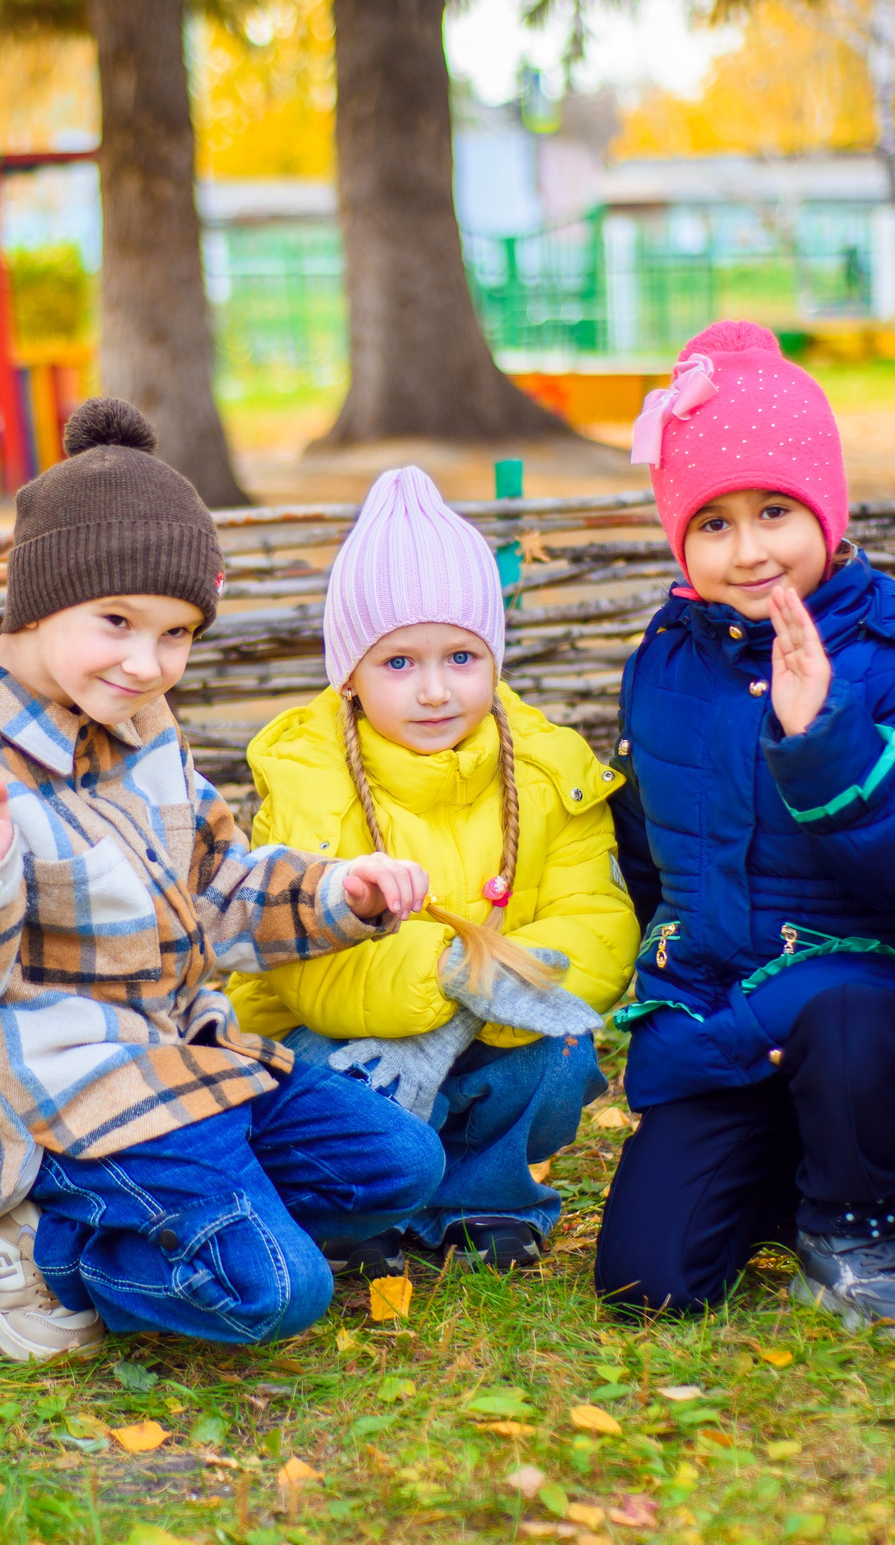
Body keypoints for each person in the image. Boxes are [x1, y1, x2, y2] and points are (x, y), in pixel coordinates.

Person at [0, 398, 446, 1358]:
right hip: (65, 1098)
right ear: (40, 594)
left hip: (183, 1056)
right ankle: (56, 1245)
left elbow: (215, 884)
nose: (146, 662)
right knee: (277, 1293)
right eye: (118, 620)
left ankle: (207, 1202)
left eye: (176, 633)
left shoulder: (136, 714)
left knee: (404, 1162)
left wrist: (344, 893)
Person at [591, 320, 895, 1341]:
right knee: (649, 1281)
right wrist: (659, 975)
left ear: (827, 508)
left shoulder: (894, 657)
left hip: (866, 993)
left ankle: (849, 1227)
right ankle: (779, 1161)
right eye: (711, 523)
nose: (749, 548)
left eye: (773, 510)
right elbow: (651, 838)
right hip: (719, 1001)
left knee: (842, 1015)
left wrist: (819, 737)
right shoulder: (667, 656)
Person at [229, 465, 635, 1273]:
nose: (437, 690)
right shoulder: (311, 776)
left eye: (460, 655)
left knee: (558, 1055)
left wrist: (478, 989)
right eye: (399, 663)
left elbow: (598, 917)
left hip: (496, 1017)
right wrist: (451, 970)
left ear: (495, 656)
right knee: (343, 1086)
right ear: (349, 673)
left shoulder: (550, 767)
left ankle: (486, 1195)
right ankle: (364, 1205)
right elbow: (304, 963)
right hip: (334, 1032)